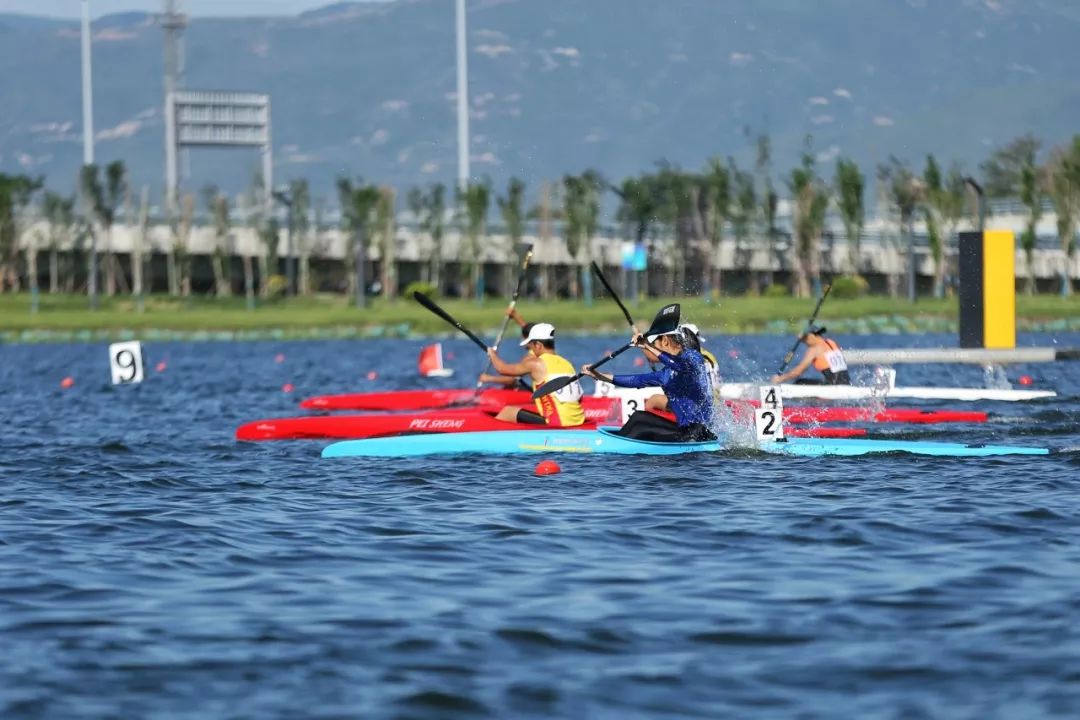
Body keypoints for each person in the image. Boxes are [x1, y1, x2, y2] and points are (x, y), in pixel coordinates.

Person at [583, 327, 715, 442]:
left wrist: (648, 346)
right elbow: (636, 380)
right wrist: (599, 375)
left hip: (699, 434)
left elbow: (679, 365)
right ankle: (614, 444)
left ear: (665, 341)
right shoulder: (666, 374)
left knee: (640, 428)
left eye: (655, 344)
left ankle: (613, 449)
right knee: (638, 417)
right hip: (685, 432)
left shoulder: (695, 358)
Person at [485, 322, 586, 426]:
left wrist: (492, 355)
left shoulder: (536, 363)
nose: (531, 350)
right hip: (579, 421)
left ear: (538, 345)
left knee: (508, 412)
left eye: (531, 346)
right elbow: (579, 398)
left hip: (558, 424)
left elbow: (502, 369)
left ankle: (485, 436)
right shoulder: (567, 364)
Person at [643, 322, 721, 412]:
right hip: (714, 404)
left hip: (696, 407)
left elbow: (654, 358)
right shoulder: (708, 355)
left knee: (653, 400)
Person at [770, 325, 850, 385]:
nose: (805, 342)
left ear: (813, 336)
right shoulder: (831, 342)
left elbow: (798, 372)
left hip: (833, 385)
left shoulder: (814, 349)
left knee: (800, 383)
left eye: (805, 339)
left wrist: (781, 379)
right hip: (846, 382)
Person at [477, 309, 535, 390]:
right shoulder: (542, 346)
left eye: (523, 338)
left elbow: (512, 379)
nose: (521, 340)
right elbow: (529, 332)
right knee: (510, 386)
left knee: (510, 386)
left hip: (541, 395)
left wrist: (488, 378)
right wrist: (516, 316)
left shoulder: (531, 358)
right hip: (546, 389)